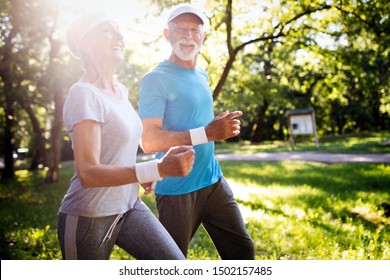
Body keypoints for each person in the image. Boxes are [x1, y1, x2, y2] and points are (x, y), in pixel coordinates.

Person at [57, 11, 195, 260]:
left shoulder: (120, 90)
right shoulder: (83, 94)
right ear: (86, 43)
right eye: (108, 29)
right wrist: (156, 169)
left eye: (119, 29)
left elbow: (116, 154)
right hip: (89, 216)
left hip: (130, 207)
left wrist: (144, 172)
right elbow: (88, 173)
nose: (120, 35)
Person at [138, 3, 255, 260]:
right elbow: (148, 140)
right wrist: (208, 133)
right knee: (172, 264)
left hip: (213, 181)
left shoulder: (201, 74)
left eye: (194, 30)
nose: (187, 36)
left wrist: (215, 126)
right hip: (177, 191)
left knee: (242, 251)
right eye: (180, 29)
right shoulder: (155, 79)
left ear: (203, 36)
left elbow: (189, 120)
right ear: (167, 35)